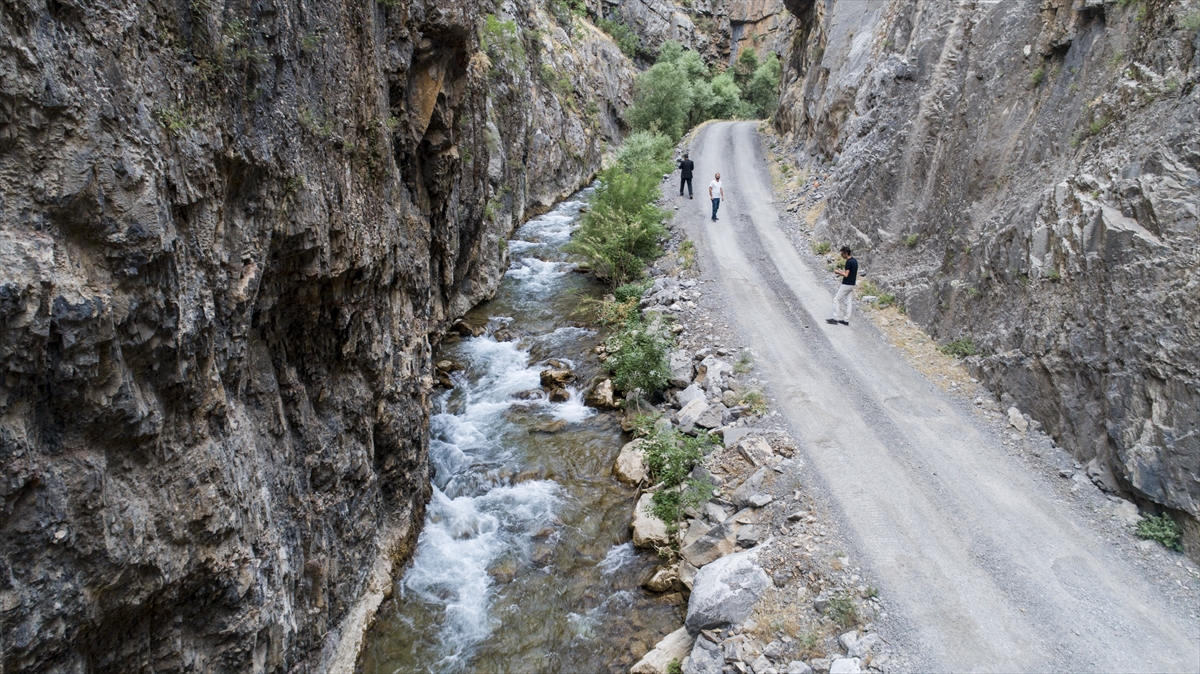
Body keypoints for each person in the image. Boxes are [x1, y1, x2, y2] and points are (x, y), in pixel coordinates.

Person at [826, 246, 858, 326]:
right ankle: (846, 320)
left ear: (846, 253)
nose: (841, 255)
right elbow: (850, 273)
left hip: (846, 284)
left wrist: (838, 272)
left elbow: (846, 275)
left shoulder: (848, 262)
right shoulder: (854, 261)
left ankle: (835, 318)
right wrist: (842, 271)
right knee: (849, 302)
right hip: (852, 284)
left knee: (836, 299)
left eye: (842, 253)